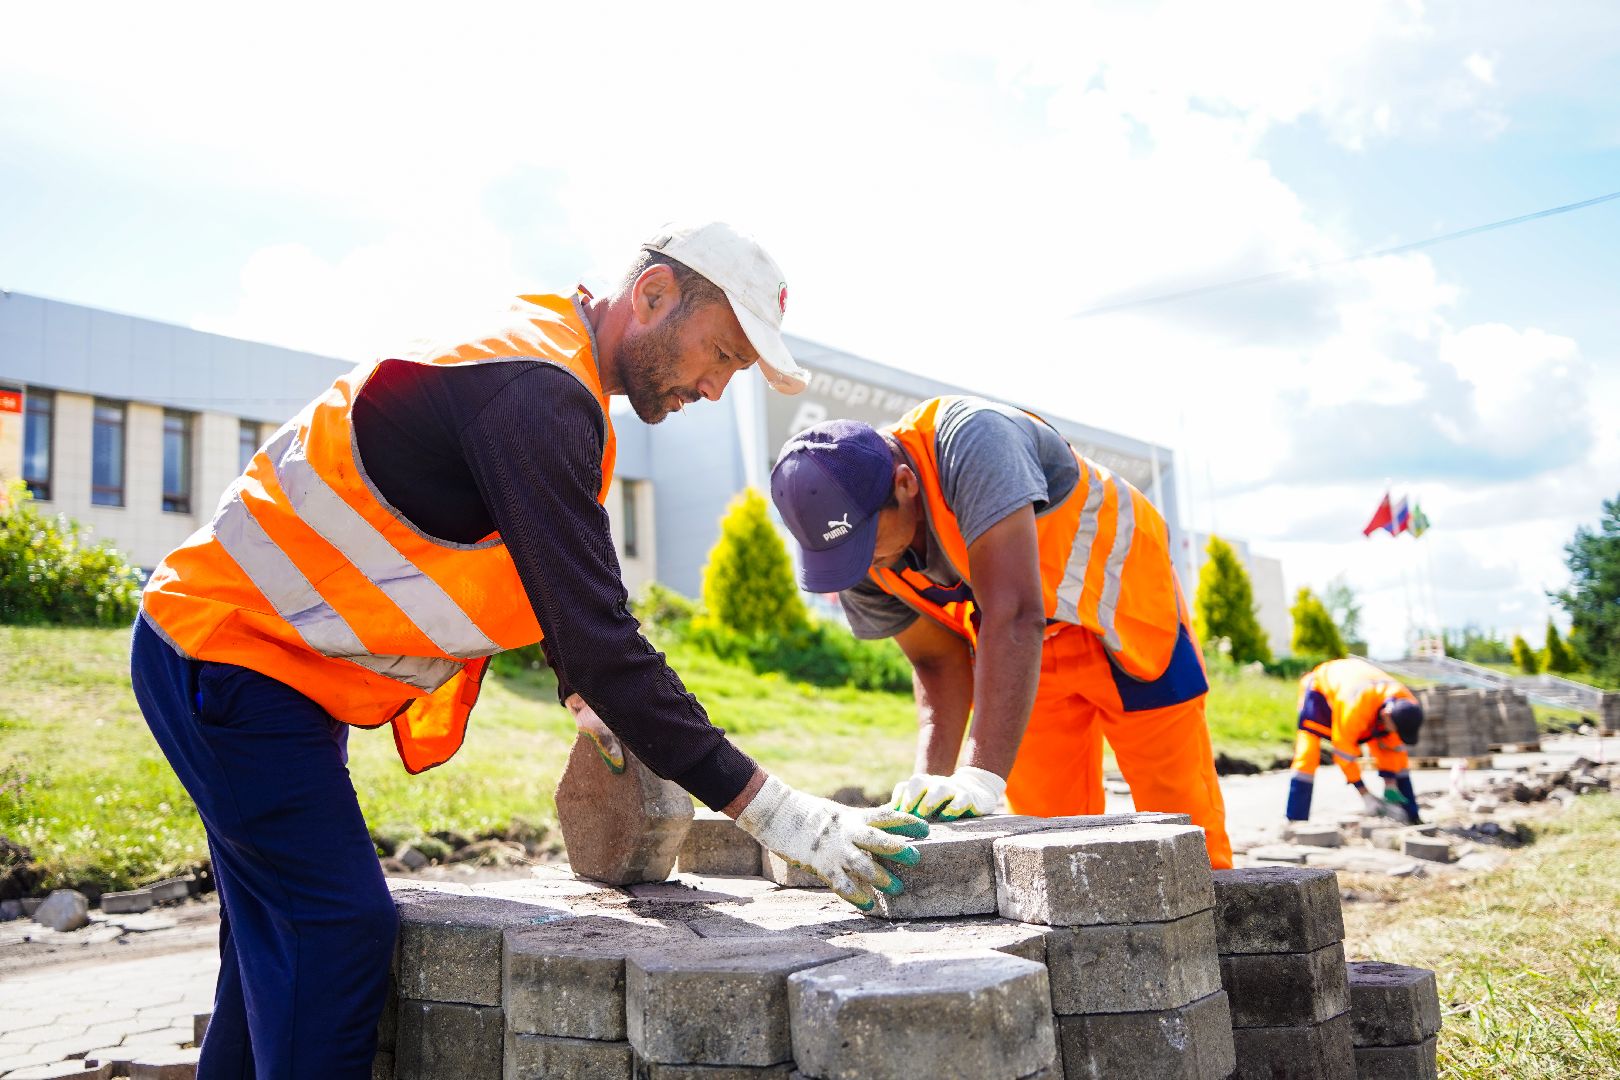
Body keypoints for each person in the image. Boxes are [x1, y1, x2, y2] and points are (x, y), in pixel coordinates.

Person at [131, 222, 926, 1079]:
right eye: (722, 354)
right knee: (334, 929)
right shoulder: (535, 389)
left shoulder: (549, 369)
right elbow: (603, 641)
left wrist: (579, 694)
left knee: (274, 949)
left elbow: (546, 578)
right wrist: (786, 818)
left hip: (255, 662)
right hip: (231, 660)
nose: (716, 385)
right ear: (653, 294)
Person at [769, 395, 1233, 868]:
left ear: (905, 484)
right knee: (1052, 850)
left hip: (1127, 619)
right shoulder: (855, 553)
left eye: (865, 544)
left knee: (1185, 823)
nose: (861, 563)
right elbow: (937, 661)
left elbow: (1013, 610)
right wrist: (925, 793)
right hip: (1021, 659)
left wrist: (980, 775)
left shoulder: (973, 440)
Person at [1286, 656, 1424, 824]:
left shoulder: (1405, 701)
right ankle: (1296, 820)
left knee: (1391, 744)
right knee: (1307, 755)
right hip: (1320, 692)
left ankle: (1412, 816)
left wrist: (1390, 782)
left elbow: (1393, 747)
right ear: (1386, 715)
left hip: (1363, 694)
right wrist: (1364, 794)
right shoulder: (1353, 709)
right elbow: (1343, 754)